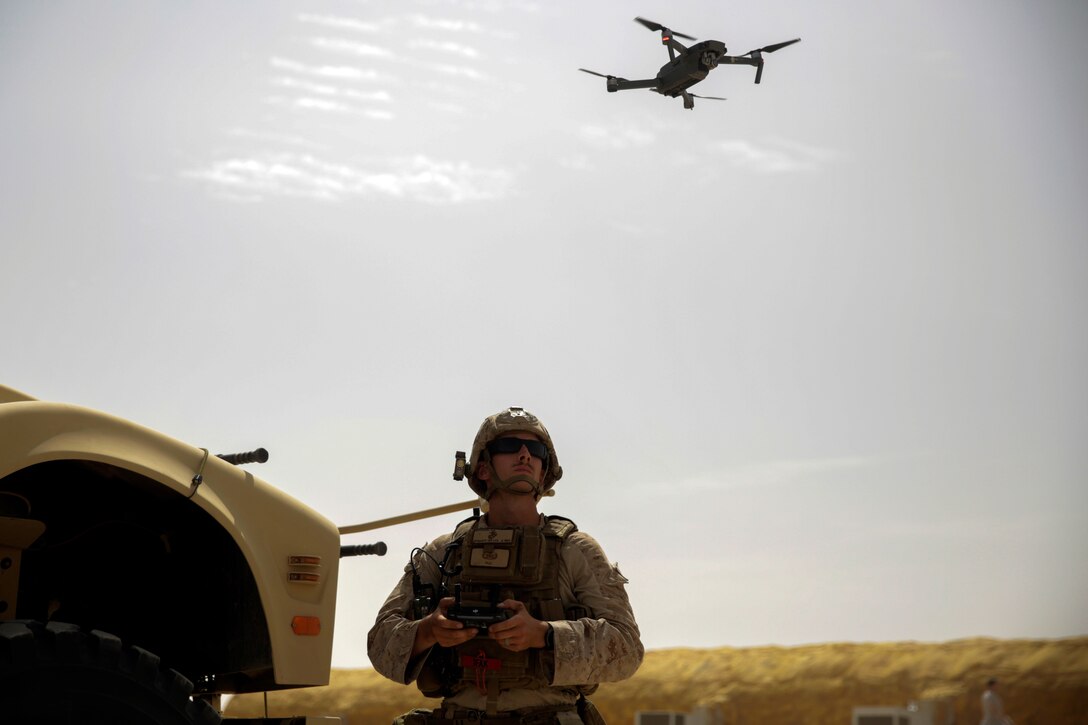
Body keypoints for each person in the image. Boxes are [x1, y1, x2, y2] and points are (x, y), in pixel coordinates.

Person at [368, 407, 643, 724]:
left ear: (543, 472)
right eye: (510, 446)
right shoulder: (442, 553)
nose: (525, 455)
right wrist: (429, 630)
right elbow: (379, 644)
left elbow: (627, 649)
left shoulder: (575, 551)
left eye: (536, 450)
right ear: (483, 468)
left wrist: (544, 634)